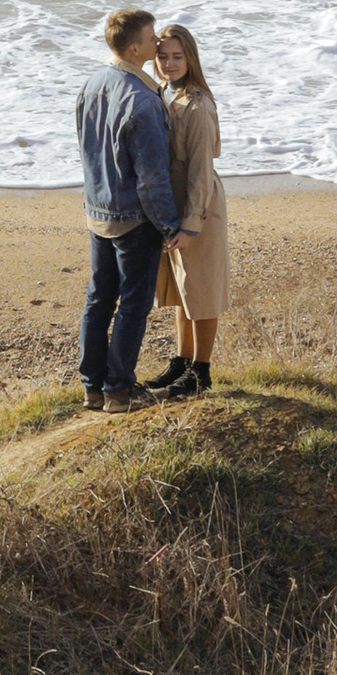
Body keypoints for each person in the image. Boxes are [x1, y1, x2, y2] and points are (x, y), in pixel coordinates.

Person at [75, 6, 177, 411]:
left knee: (99, 297)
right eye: (152, 38)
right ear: (135, 48)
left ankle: (92, 387)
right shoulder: (144, 102)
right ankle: (118, 391)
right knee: (133, 302)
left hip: (97, 208)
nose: (158, 44)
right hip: (133, 218)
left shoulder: (92, 84)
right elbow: (152, 179)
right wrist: (170, 225)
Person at [147, 21, 227, 398]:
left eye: (178, 56)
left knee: (201, 291)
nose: (169, 63)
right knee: (182, 291)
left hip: (201, 207)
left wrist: (192, 222)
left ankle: (201, 372)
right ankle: (181, 361)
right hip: (175, 207)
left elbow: (201, 171)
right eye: (163, 56)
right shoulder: (163, 93)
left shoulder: (197, 104)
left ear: (191, 57)